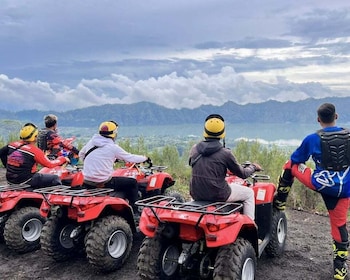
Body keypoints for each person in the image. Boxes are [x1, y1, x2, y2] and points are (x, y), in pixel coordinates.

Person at [273, 103, 350, 280]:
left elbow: (296, 159)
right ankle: (340, 271)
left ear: (318, 120)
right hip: (343, 189)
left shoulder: (312, 138)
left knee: (289, 165)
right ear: (336, 117)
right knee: (339, 227)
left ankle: (280, 201)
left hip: (320, 182)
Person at [189, 114, 262, 220]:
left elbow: (194, 164)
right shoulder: (225, 153)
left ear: (205, 131)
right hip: (218, 194)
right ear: (222, 134)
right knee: (249, 193)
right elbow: (243, 174)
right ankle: (250, 225)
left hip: (196, 193)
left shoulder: (194, 148)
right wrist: (253, 167)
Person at [78, 120, 150, 215]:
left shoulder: (91, 142)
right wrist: (145, 158)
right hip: (103, 182)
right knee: (132, 183)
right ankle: (135, 211)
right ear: (114, 134)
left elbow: (81, 154)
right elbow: (130, 157)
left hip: (87, 180)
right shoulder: (113, 147)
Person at [0, 123, 69, 188]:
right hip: (26, 180)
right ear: (35, 137)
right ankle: (51, 198)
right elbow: (50, 164)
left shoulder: (12, 145)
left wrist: (7, 166)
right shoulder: (34, 151)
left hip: (10, 180)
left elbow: (1, 153)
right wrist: (62, 159)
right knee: (55, 178)